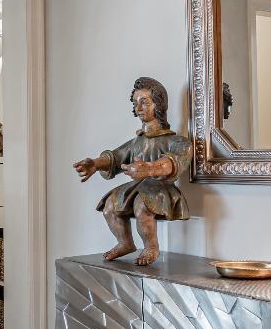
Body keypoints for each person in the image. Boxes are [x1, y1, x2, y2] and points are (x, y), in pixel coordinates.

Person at [73, 77, 192, 266]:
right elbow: (116, 157)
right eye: (136, 103)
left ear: (158, 105)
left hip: (160, 188)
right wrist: (96, 164)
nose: (138, 108)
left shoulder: (175, 141)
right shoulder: (137, 142)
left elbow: (176, 160)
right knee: (110, 205)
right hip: (139, 186)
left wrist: (150, 169)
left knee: (141, 206)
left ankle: (151, 246)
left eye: (144, 102)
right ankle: (125, 242)